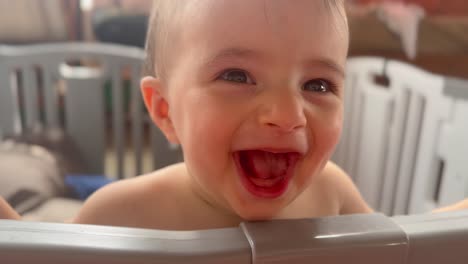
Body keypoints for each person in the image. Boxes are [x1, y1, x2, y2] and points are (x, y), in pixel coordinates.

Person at [1, 0, 467, 230]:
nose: (288, 115)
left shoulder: (333, 194)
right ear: (165, 111)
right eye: (238, 76)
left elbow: (402, 248)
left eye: (318, 85)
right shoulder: (120, 213)